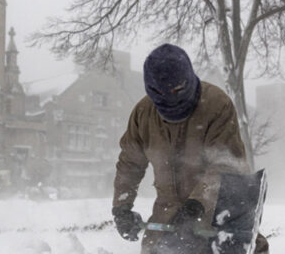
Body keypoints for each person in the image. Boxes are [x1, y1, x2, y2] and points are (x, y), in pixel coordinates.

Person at [112, 44, 269, 254]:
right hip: (167, 215)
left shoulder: (216, 105)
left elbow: (227, 165)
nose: (172, 98)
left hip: (218, 215)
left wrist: (196, 205)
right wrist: (121, 207)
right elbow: (130, 164)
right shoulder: (143, 114)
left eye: (177, 90)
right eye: (162, 92)